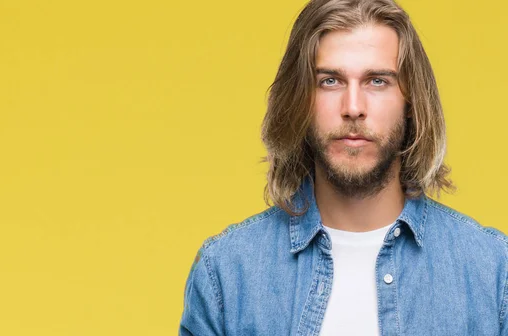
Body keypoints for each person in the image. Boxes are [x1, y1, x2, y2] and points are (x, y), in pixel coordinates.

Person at [178, 0, 508, 335]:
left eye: (377, 81)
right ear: (299, 100)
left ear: (411, 102)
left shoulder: (493, 273)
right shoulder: (226, 273)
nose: (353, 108)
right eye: (330, 81)